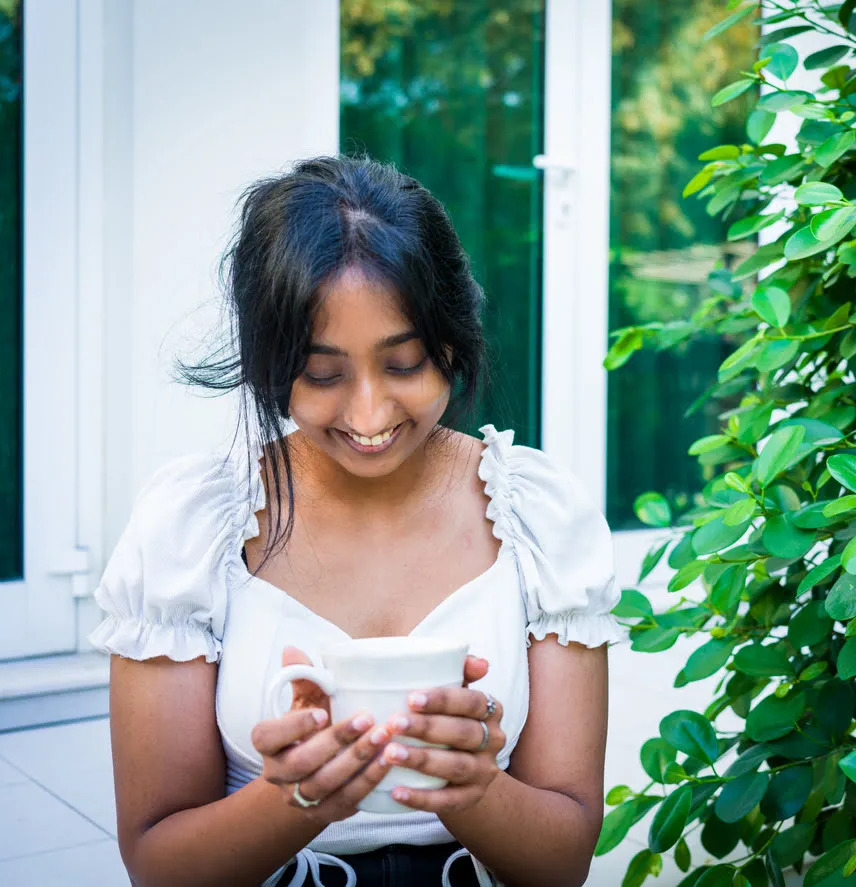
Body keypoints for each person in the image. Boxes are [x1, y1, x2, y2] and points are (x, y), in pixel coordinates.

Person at [88, 155, 622, 887]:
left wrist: (473, 789)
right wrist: (298, 799)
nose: (369, 416)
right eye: (323, 373)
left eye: (403, 364)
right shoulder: (194, 528)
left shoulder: (536, 518)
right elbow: (158, 862)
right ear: (271, 363)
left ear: (451, 343)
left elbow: (562, 861)